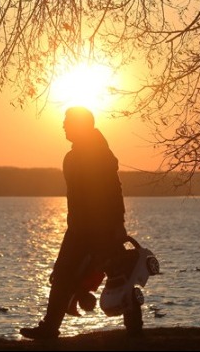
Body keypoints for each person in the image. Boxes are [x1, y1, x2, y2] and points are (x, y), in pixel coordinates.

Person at [20, 106, 143, 340]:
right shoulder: (72, 156)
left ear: (80, 125)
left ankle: (134, 329)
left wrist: (118, 223)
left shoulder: (100, 153)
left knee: (119, 273)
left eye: (67, 121)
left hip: (103, 227)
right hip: (78, 228)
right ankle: (50, 328)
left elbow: (113, 191)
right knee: (62, 274)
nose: (63, 125)